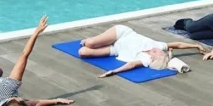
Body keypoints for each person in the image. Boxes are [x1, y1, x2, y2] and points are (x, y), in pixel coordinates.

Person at [78, 25, 206, 77]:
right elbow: (177, 44)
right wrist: (195, 46)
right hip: (121, 34)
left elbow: (131, 64)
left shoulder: (145, 59)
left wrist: (113, 71)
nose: (158, 50)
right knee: (89, 43)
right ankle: (88, 40)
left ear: (152, 58)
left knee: (83, 53)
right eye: (161, 52)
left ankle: (98, 42)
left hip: (116, 49)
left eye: (158, 53)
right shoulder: (158, 45)